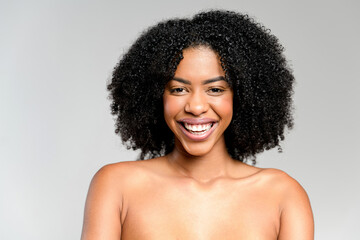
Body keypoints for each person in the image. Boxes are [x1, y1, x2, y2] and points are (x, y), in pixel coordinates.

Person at [81, 10, 314, 240]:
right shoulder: (117, 186)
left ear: (241, 96)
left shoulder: (283, 195)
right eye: (179, 89)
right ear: (156, 96)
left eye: (215, 89)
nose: (196, 106)